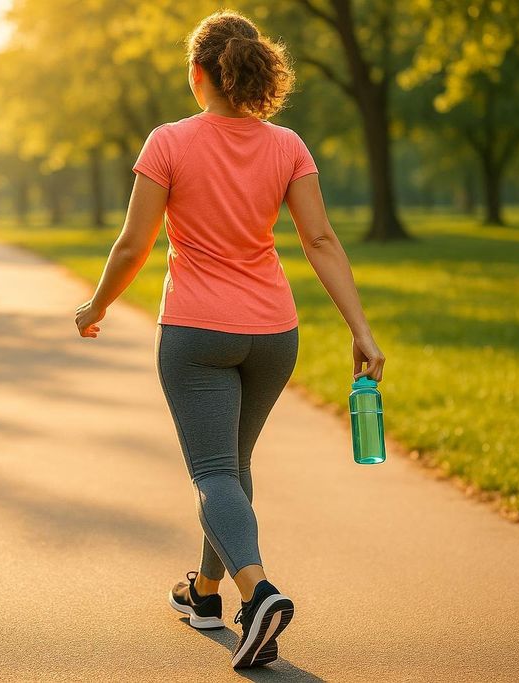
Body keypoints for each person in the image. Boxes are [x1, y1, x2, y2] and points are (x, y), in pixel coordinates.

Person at [74, 9, 385, 670]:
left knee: (214, 472)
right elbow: (321, 240)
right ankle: (205, 591)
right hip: (274, 335)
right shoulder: (288, 145)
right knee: (233, 470)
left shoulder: (168, 141)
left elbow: (134, 242)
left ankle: (260, 593)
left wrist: (95, 305)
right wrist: (360, 328)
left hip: (196, 332)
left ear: (199, 74)